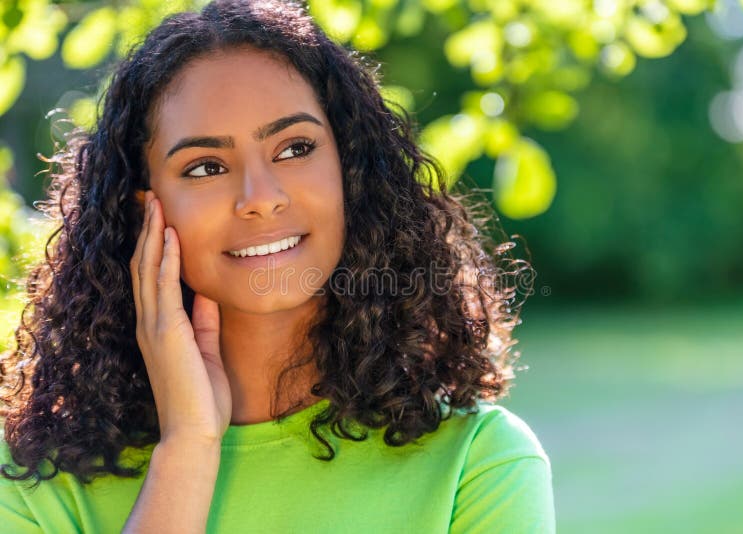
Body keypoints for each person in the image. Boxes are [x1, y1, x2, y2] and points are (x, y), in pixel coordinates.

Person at [0, 0, 555, 532]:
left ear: (350, 172)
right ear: (144, 207)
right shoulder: (34, 478)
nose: (259, 197)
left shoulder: (477, 466)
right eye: (205, 166)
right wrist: (188, 446)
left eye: (294, 149)